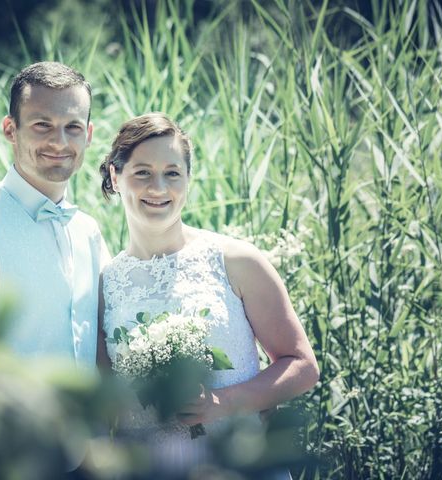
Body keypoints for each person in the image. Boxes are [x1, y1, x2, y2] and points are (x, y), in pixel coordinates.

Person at [97, 112, 320, 477]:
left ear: (187, 179)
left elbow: (302, 366)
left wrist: (220, 403)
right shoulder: (105, 285)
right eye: (142, 173)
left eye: (172, 173)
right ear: (115, 176)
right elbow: (109, 406)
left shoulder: (236, 261)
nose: (159, 188)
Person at [0, 61, 109, 479]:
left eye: (73, 126)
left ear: (88, 134)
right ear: (10, 129)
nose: (59, 140)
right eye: (41, 125)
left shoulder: (88, 230)